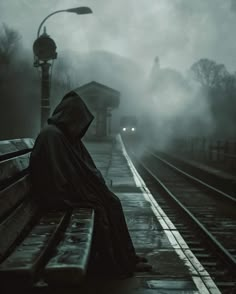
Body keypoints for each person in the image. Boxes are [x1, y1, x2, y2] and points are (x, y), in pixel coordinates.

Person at [29, 90, 151, 279]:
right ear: (70, 118)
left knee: (111, 202)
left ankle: (127, 257)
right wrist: (78, 194)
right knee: (102, 207)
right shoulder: (52, 136)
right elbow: (54, 179)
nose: (81, 129)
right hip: (55, 198)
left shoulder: (64, 135)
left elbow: (83, 169)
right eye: (79, 122)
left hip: (64, 192)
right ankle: (114, 265)